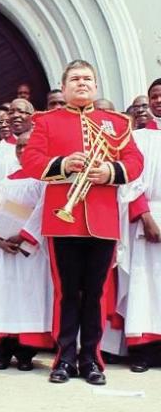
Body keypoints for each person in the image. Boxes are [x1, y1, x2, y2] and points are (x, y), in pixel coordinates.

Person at [21, 59, 143, 385]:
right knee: (66, 294)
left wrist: (110, 172)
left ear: (96, 85)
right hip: (63, 219)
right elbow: (30, 160)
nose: (82, 83)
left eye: (88, 78)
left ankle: (91, 359)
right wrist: (63, 164)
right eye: (75, 79)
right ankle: (64, 359)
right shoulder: (47, 121)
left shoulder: (115, 123)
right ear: (64, 86)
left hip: (102, 221)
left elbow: (134, 161)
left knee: (95, 293)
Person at [0, 132, 53, 371]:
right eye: (19, 146)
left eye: (28, 146)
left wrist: (24, 237)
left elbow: (44, 211)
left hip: (31, 251)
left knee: (28, 300)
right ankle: (2, 351)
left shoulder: (46, 179)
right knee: (6, 299)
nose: (23, 150)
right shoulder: (6, 181)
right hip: (6, 250)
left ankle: (26, 353)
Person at [122, 79, 161, 372]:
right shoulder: (138, 138)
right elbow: (132, 180)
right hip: (148, 215)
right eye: (154, 97)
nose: (158, 101)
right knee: (145, 286)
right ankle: (144, 352)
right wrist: (145, 216)